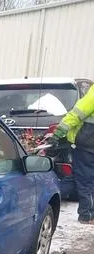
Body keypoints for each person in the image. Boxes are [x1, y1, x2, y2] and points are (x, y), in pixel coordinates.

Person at [51, 85, 94, 224]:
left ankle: (86, 215)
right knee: (80, 178)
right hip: (88, 144)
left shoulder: (92, 96)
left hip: (85, 145)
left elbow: (75, 115)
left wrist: (59, 132)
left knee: (83, 180)